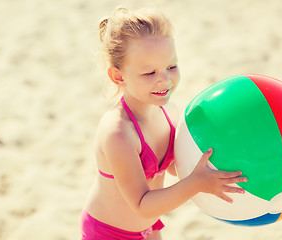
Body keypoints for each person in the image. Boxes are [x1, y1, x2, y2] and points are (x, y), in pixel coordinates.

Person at [81, 7, 247, 240]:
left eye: (171, 67)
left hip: (150, 226)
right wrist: (196, 183)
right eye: (149, 72)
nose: (165, 80)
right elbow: (142, 203)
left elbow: (174, 166)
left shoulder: (169, 111)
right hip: (110, 233)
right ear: (118, 77)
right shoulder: (118, 133)